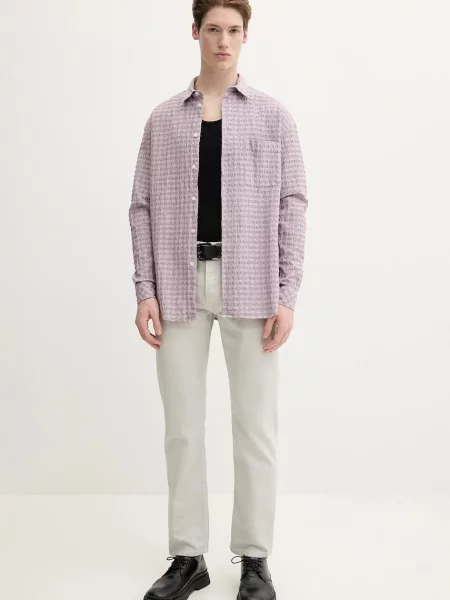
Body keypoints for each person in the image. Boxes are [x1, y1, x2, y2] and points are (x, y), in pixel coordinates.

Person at [128, 1, 308, 598]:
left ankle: (254, 558)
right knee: (182, 427)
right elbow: (141, 206)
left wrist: (287, 292)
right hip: (178, 284)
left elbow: (293, 204)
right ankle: (188, 557)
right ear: (196, 32)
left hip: (252, 284)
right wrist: (145, 289)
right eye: (213, 29)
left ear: (246, 36)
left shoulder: (273, 116)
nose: (223, 40)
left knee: (255, 427)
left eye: (233, 30)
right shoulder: (163, 119)